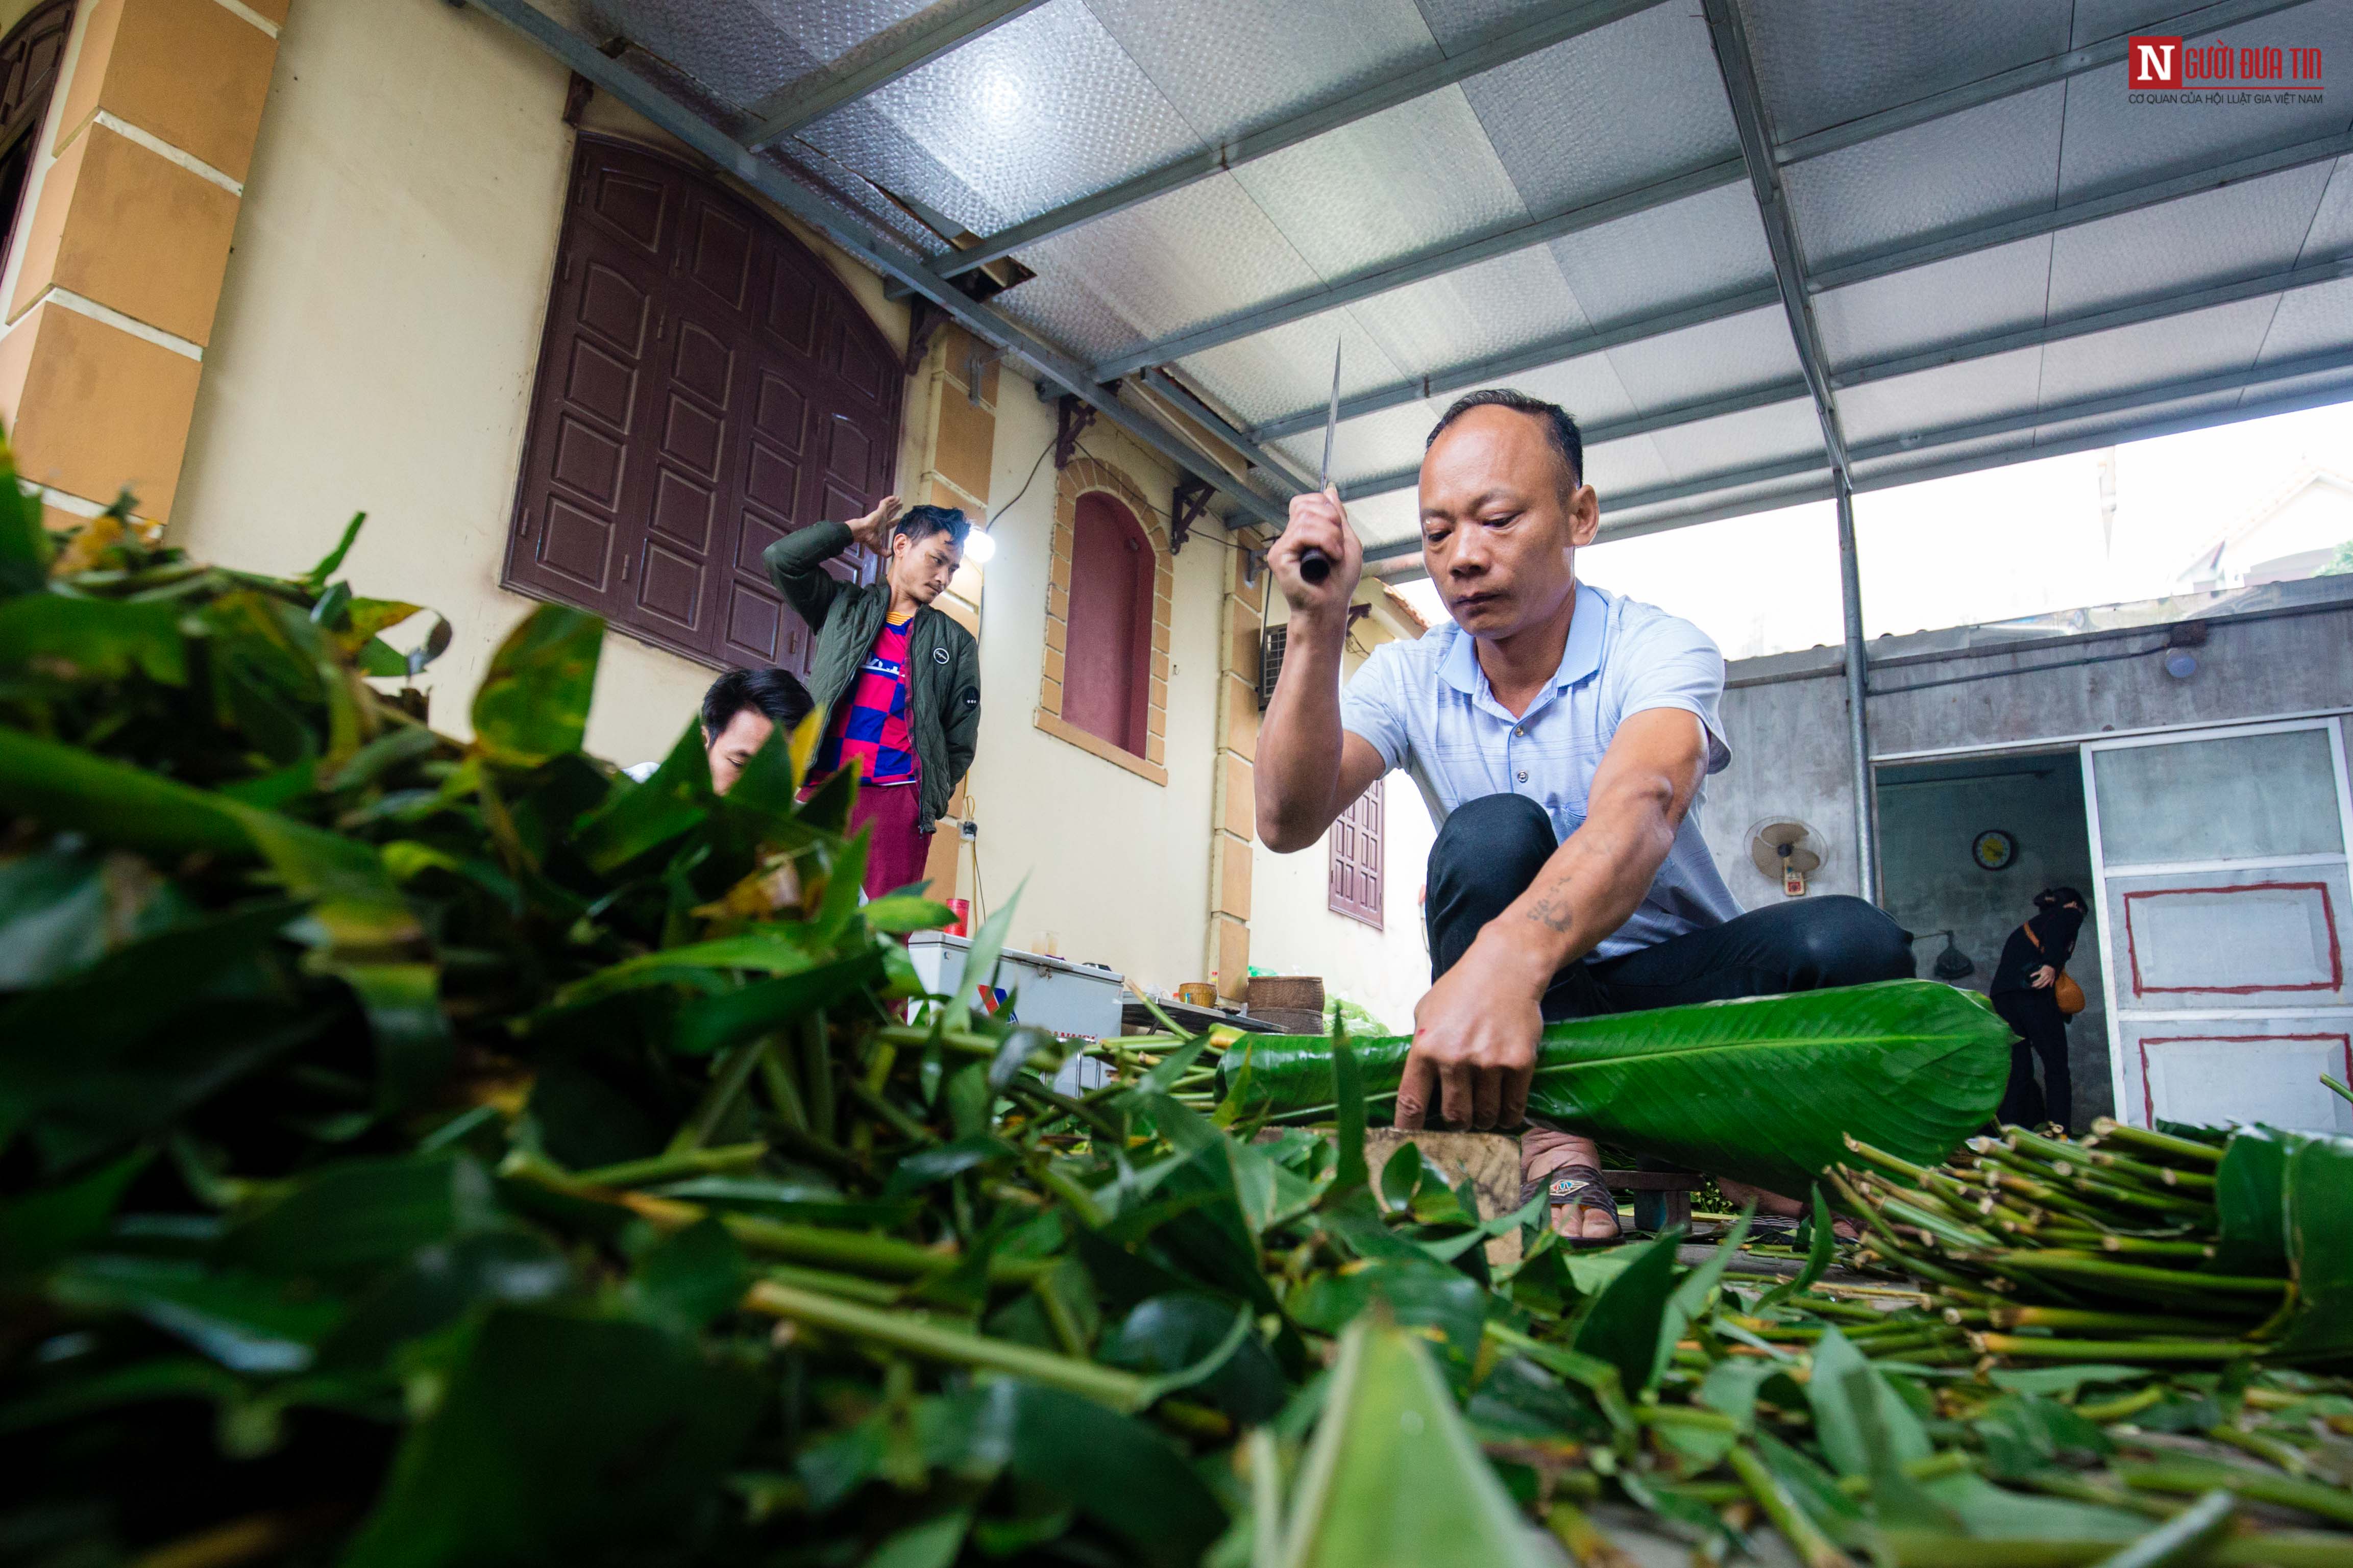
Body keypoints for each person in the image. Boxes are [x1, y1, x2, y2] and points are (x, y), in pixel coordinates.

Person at [1255, 388, 1914, 1243]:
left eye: (1496, 518)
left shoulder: (1657, 647)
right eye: (1437, 532)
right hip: (1521, 1023)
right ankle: (1554, 1142)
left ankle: (1739, 1133)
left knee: (1854, 943)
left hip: (1665, 999)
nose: (1463, 556)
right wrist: (1318, 622)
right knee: (1489, 831)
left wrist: (1506, 955)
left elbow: (1644, 806)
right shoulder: (1409, 675)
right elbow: (1285, 817)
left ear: (1580, 515)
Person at [764, 497, 981, 901]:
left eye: (952, 569)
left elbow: (959, 742)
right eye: (937, 560)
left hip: (897, 804)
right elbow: (781, 560)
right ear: (901, 546)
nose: (944, 578)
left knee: (877, 937)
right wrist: (852, 530)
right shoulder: (842, 607)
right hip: (821, 792)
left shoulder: (956, 644)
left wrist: (921, 798)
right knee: (791, 914)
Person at [624, 665, 813, 794]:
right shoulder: (637, 791)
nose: (755, 790)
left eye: (779, 777)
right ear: (702, 742)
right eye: (739, 764)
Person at [1990, 887, 2086, 1131]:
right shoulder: (2069, 914)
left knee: (2018, 1071)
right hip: (2032, 993)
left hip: (2003, 998)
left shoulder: (2026, 928)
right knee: (2056, 1067)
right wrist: (2051, 964)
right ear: (2073, 905)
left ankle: (2008, 1131)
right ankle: (2059, 1131)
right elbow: (2060, 930)